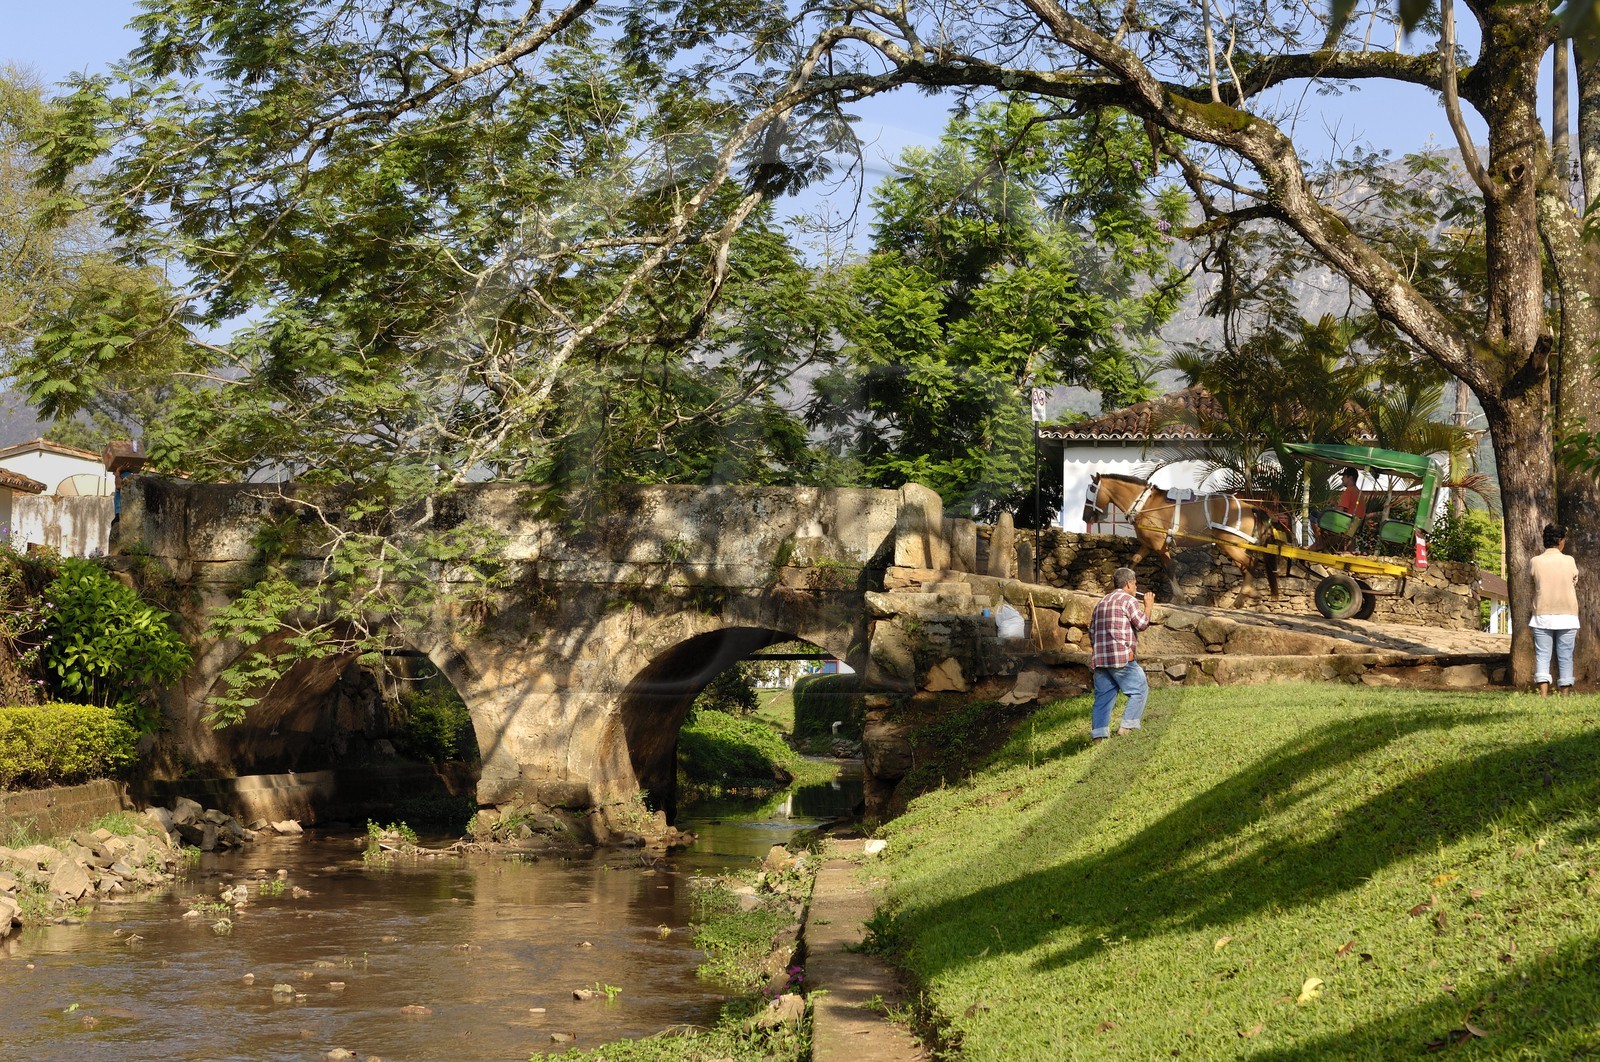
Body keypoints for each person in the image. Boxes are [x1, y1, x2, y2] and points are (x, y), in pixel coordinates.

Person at [1088, 567, 1155, 741]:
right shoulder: (1129, 600)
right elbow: (1141, 624)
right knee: (1140, 689)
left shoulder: (1101, 602)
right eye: (1135, 583)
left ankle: (1099, 735)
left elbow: (1092, 631)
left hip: (1101, 659)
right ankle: (1127, 726)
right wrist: (1148, 607)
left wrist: (1100, 651)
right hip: (1122, 657)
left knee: (1104, 696)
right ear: (1128, 584)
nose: (1136, 586)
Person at [1529, 522, 1580, 695]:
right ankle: (1564, 694)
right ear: (1560, 541)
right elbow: (1574, 579)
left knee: (1542, 655)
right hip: (1568, 615)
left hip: (1542, 614)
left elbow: (1532, 583)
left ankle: (1543, 695)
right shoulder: (1569, 560)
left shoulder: (1535, 561)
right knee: (1565, 655)